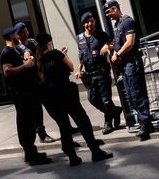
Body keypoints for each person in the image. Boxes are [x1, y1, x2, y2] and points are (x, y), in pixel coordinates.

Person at [36, 33, 113, 166]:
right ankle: (95, 151)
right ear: (49, 42)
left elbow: (42, 79)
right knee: (83, 121)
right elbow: (71, 67)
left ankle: (72, 157)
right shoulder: (57, 54)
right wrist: (64, 54)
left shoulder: (40, 60)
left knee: (64, 126)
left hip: (53, 96)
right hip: (66, 92)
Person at [0, 26, 51, 166]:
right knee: (25, 123)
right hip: (20, 93)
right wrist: (25, 66)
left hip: (28, 91)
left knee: (30, 121)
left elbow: (26, 49)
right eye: (16, 34)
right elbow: (7, 71)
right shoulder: (7, 52)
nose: (19, 36)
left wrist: (27, 54)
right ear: (11, 37)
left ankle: (31, 153)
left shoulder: (17, 48)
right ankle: (31, 154)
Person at [104, 0, 155, 140]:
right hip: (125, 65)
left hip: (132, 62)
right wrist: (113, 51)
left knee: (137, 93)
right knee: (131, 95)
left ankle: (145, 123)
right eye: (106, 12)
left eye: (109, 11)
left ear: (115, 8)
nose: (108, 15)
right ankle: (145, 122)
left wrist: (118, 53)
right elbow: (119, 44)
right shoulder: (118, 25)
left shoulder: (127, 22)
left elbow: (130, 42)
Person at [76, 12, 124, 134]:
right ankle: (115, 111)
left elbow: (113, 44)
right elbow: (81, 56)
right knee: (92, 99)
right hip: (89, 74)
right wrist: (79, 69)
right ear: (83, 24)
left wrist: (108, 47)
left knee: (106, 99)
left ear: (95, 21)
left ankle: (108, 122)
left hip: (102, 72)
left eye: (91, 21)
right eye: (87, 22)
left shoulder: (101, 34)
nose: (89, 24)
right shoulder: (80, 38)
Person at [14, 22, 56, 144]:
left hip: (42, 79)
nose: (25, 33)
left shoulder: (33, 42)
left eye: (25, 30)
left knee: (52, 104)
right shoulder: (18, 49)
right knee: (36, 110)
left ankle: (65, 126)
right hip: (31, 83)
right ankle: (42, 134)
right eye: (21, 32)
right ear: (17, 35)